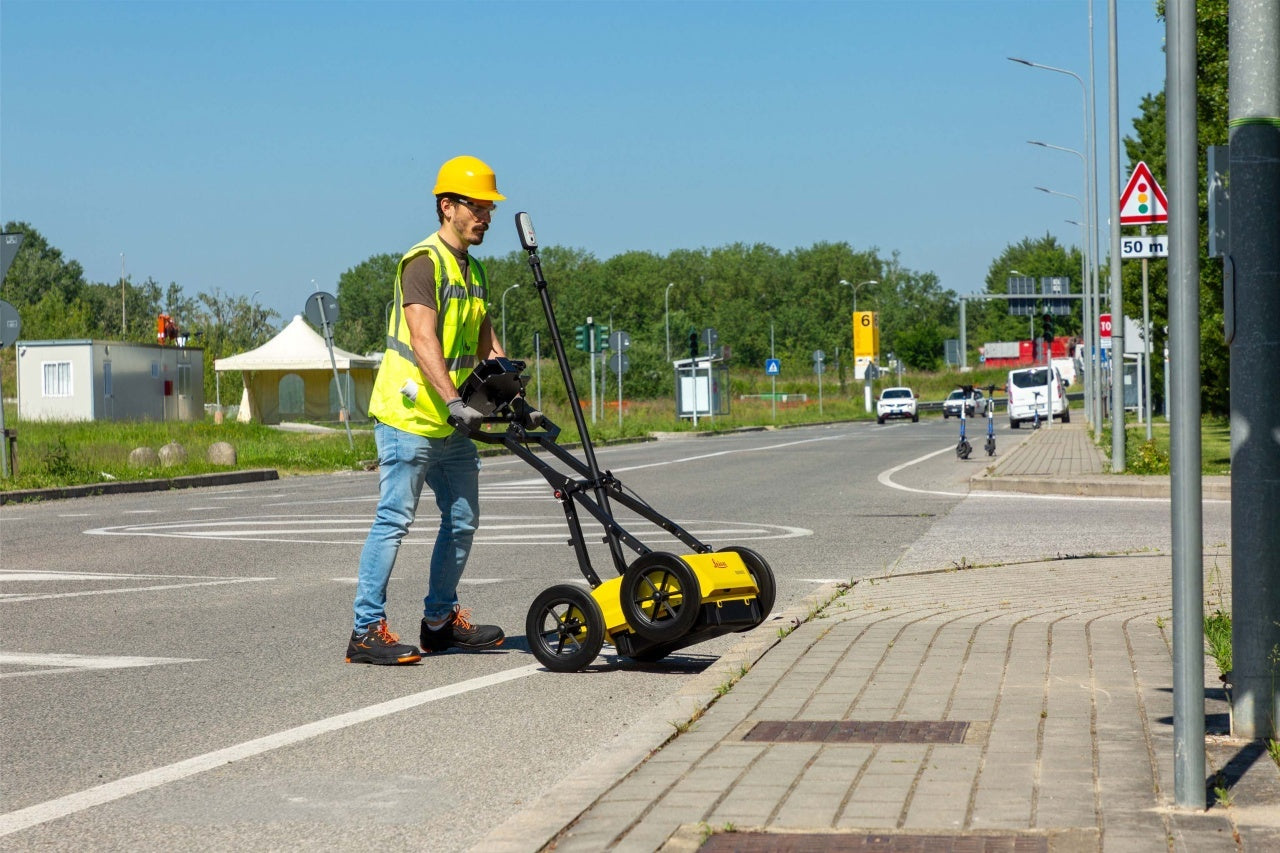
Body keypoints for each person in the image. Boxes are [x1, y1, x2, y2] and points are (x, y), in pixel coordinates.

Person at [346, 154, 511, 665]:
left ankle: (439, 622)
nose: (485, 216)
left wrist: (515, 397)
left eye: (490, 208)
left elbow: (488, 347)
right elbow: (422, 338)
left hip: (452, 423)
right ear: (448, 206)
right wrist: (454, 400)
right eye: (477, 207)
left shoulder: (474, 269)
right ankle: (365, 630)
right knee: (394, 520)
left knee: (462, 520)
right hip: (410, 417)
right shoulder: (424, 262)